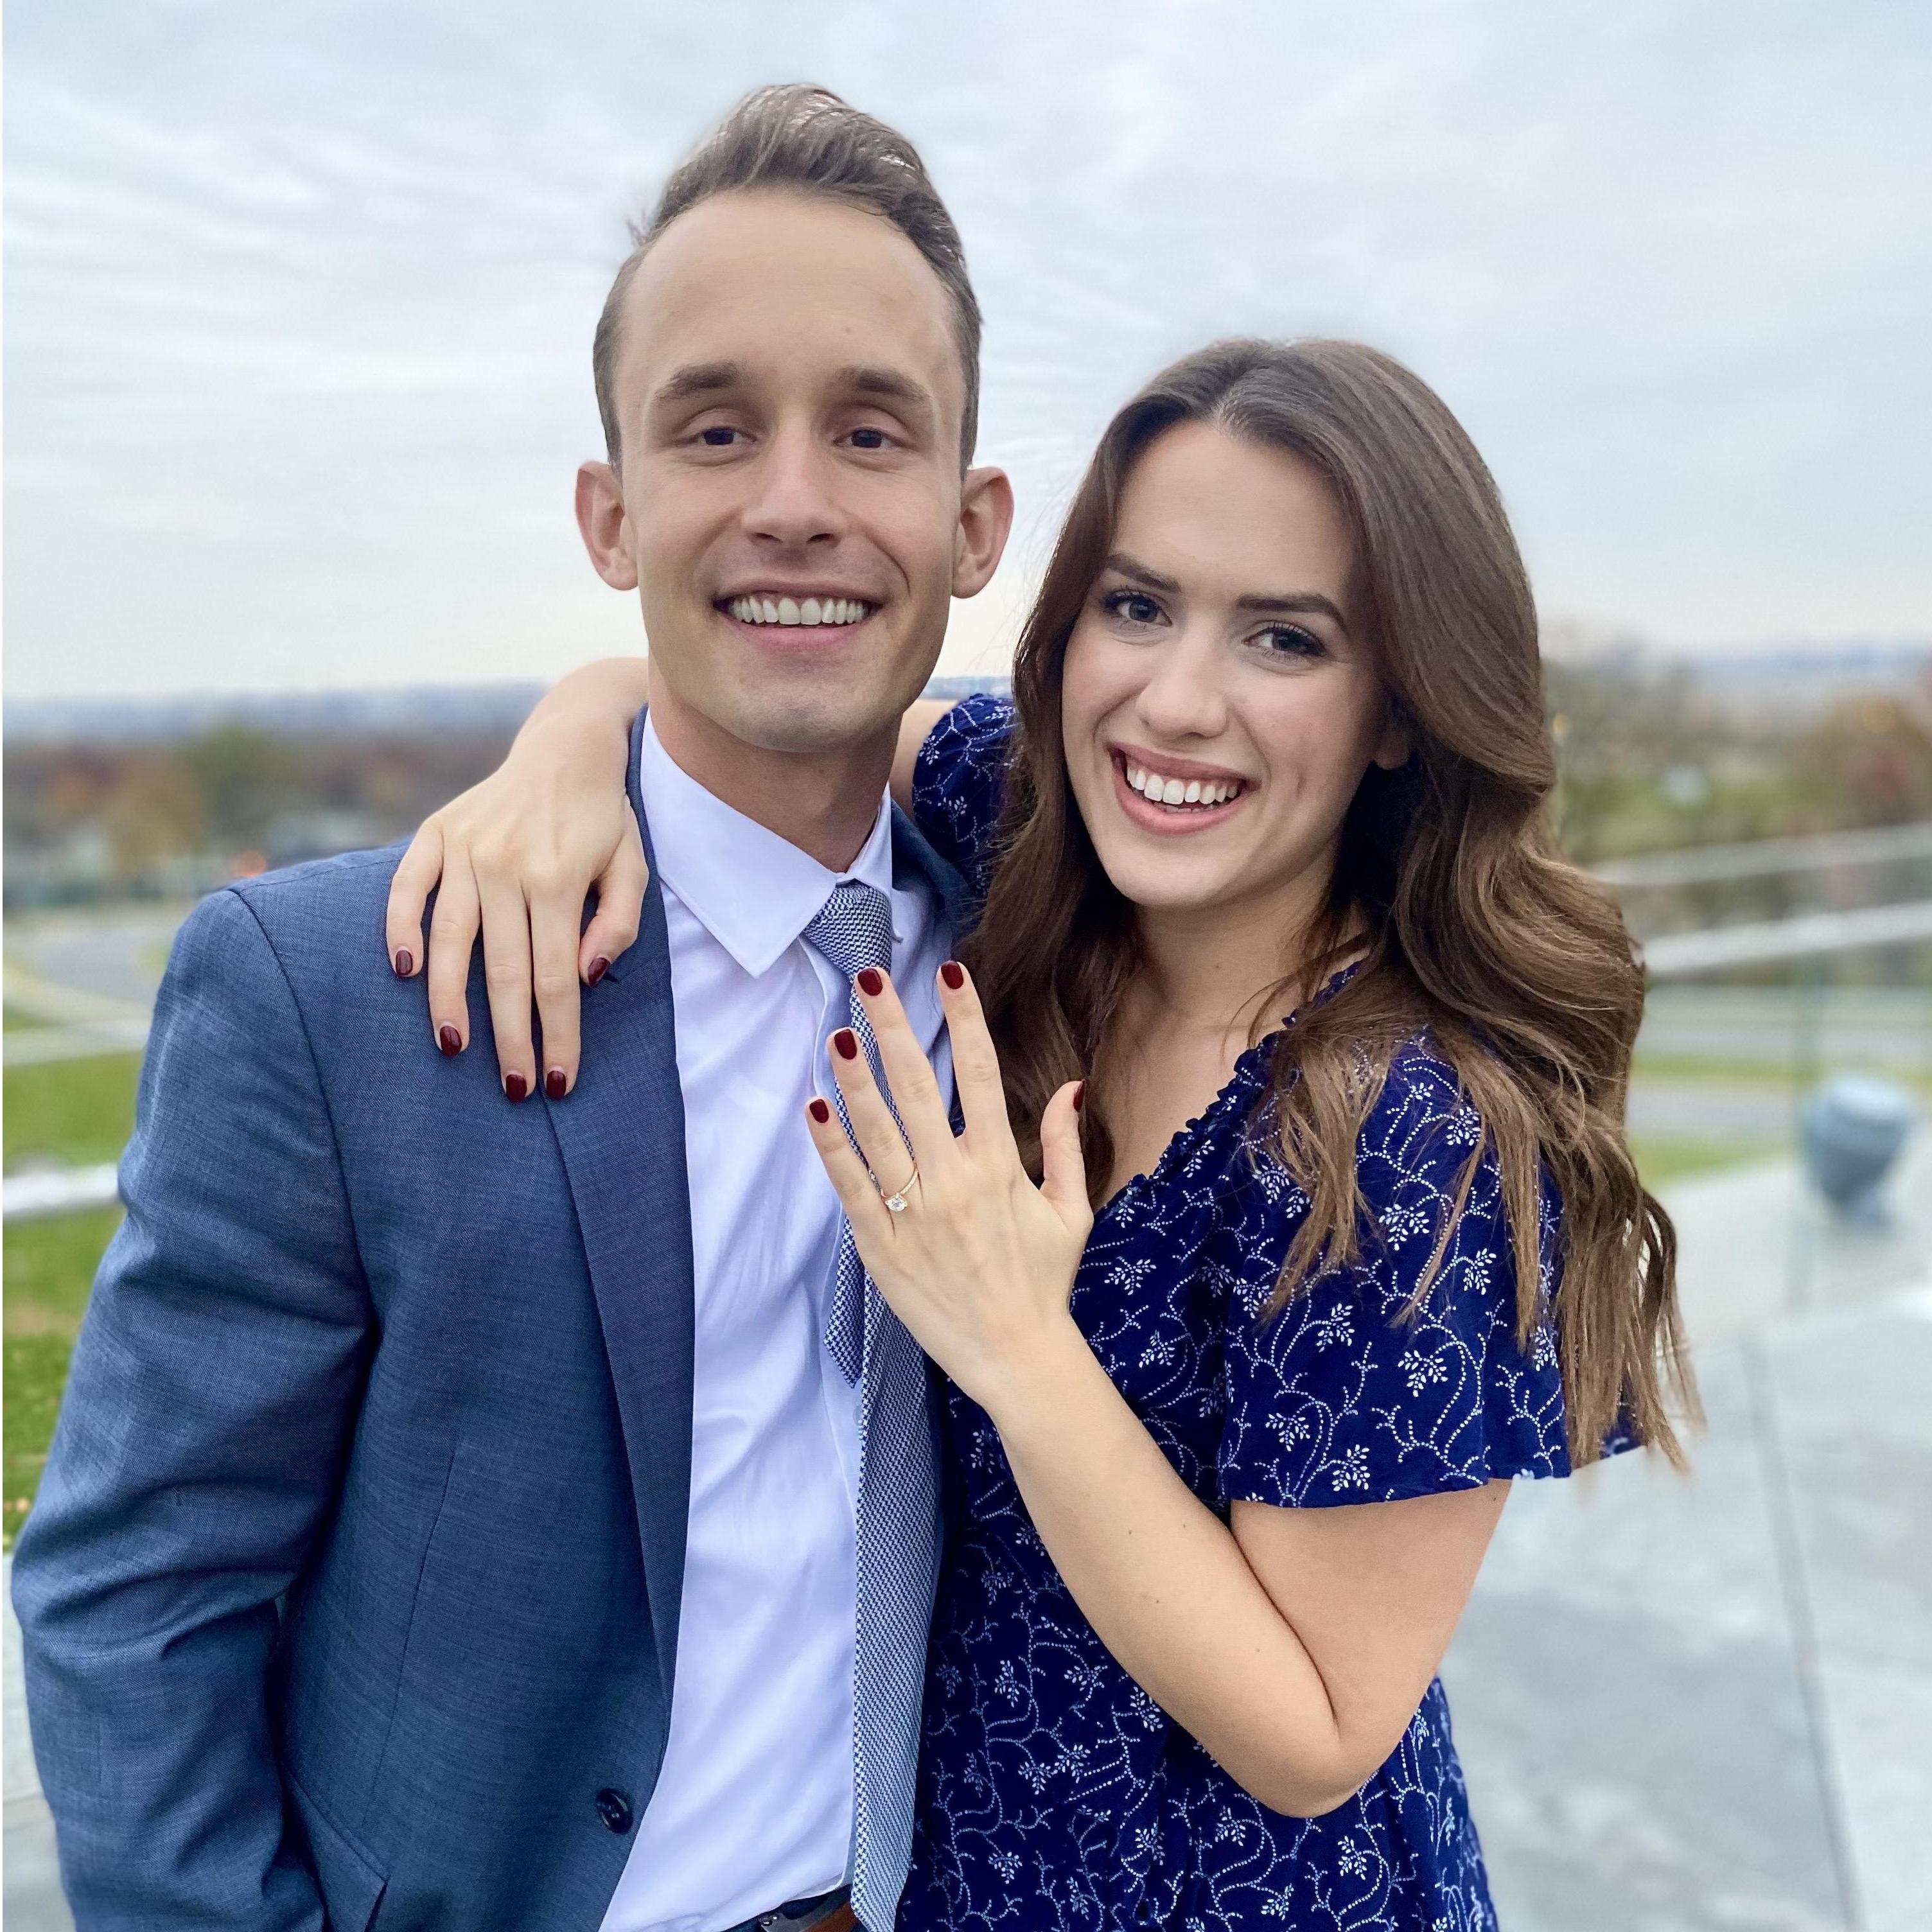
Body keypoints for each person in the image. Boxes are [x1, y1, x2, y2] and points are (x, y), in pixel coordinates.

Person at [392, 338, 1697, 1929]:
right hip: (960, 1868)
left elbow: (1316, 1732)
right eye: (1136, 606)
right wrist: (564, 747)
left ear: (1399, 712)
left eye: (1283, 638)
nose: (1175, 700)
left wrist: (1012, 1336)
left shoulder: (1409, 1135)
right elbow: (787, 713)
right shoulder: (1037, 827)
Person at [12, 85, 1013, 1932]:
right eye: (718, 429)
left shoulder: (1039, 940)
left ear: (973, 523)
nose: (795, 500)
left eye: (869, 432)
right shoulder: (330, 997)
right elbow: (134, 1597)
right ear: (611, 512)